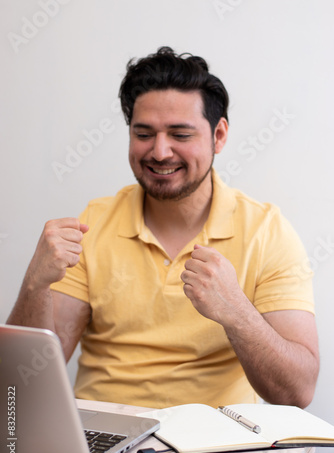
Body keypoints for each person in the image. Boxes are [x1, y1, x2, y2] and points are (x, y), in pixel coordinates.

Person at [7, 47, 319, 410]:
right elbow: (21, 385)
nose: (159, 152)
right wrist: (34, 283)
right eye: (144, 134)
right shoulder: (93, 222)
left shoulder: (267, 231)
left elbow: (297, 393)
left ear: (218, 136)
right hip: (106, 440)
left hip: (216, 448)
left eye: (180, 135)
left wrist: (236, 311)